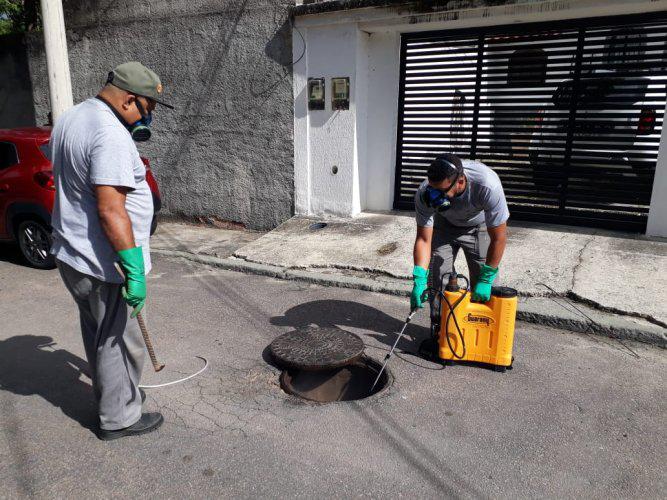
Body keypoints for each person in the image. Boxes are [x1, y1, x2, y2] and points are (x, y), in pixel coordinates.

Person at [50, 61, 173, 440]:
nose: (149, 116)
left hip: (73, 254)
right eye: (147, 107)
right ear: (128, 100)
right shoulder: (110, 135)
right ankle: (118, 418)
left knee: (100, 333)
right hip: (106, 264)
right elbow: (110, 207)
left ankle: (113, 402)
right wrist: (133, 269)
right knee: (119, 340)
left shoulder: (72, 118)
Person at [410, 153, 510, 335]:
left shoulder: (487, 184)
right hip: (444, 224)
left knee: (484, 278)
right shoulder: (426, 192)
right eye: (433, 190)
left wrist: (487, 278)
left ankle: (481, 332)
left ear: (460, 181)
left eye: (441, 193)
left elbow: (499, 238)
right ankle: (441, 330)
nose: (434, 196)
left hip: (478, 226)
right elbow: (424, 239)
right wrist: (419, 278)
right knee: (438, 273)